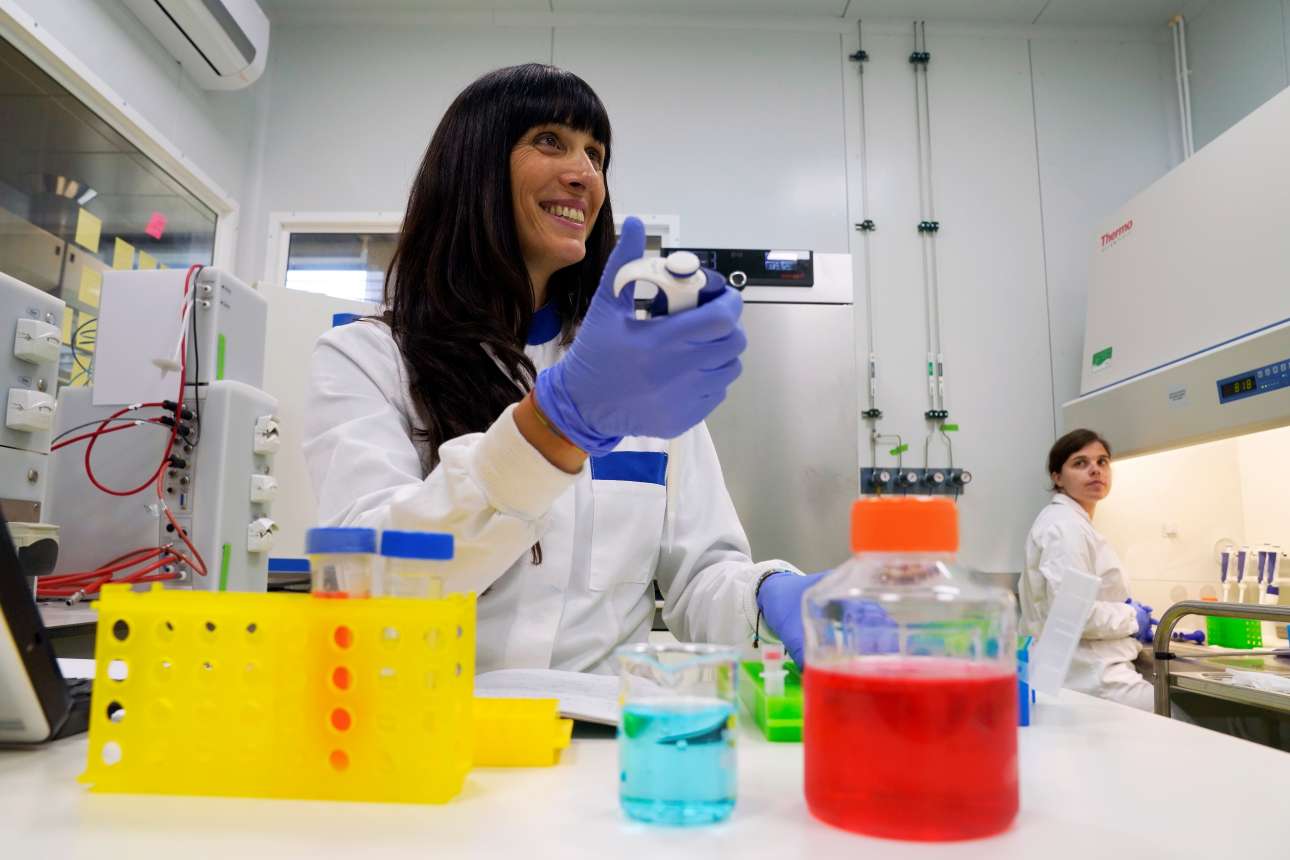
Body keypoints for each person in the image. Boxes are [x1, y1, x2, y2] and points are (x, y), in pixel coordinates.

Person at [303, 63, 814, 674]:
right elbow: (370, 581)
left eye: (596, 155)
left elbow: (700, 575)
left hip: (597, 728)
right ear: (473, 166)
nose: (584, 175)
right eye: (550, 141)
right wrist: (550, 429)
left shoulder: (635, 368)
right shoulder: (370, 359)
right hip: (437, 720)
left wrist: (769, 597)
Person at [1020, 428, 1156, 711]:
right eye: (1080, 463)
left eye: (1102, 461)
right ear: (1057, 477)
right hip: (1095, 679)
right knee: (1195, 722)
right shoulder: (1066, 526)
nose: (1095, 470)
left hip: (1084, 676)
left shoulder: (1071, 522)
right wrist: (1133, 617)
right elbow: (1073, 614)